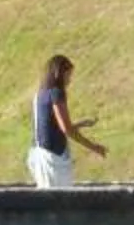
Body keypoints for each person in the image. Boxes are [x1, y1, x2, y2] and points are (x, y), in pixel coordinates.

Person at [27, 54, 106, 188]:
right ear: (59, 74)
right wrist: (94, 147)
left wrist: (81, 124)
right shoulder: (56, 93)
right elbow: (66, 130)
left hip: (38, 154)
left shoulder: (40, 94)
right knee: (59, 200)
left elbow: (52, 127)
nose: (69, 80)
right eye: (68, 75)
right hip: (52, 157)